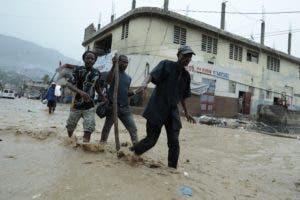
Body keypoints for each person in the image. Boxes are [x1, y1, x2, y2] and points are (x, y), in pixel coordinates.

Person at [130, 46, 196, 169]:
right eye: (185, 55)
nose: (188, 59)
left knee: (174, 142)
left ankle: (172, 169)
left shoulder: (186, 76)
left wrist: (186, 112)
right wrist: (144, 84)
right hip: (157, 108)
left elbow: (183, 96)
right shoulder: (166, 64)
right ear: (178, 55)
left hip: (172, 112)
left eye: (190, 57)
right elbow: (151, 75)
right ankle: (132, 153)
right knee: (151, 141)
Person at [100, 55, 140, 145]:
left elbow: (125, 93)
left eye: (127, 62)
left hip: (125, 108)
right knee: (107, 128)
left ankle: (136, 147)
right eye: (123, 62)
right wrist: (113, 66)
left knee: (133, 128)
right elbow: (108, 81)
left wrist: (135, 92)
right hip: (113, 107)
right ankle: (102, 144)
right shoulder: (112, 73)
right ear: (118, 62)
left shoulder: (128, 78)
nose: (125, 64)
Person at [66, 51, 104, 142]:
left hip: (89, 106)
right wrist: (81, 92)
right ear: (84, 59)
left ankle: (85, 147)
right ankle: (69, 140)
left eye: (92, 58)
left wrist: (103, 97)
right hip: (76, 105)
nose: (90, 60)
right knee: (70, 126)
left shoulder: (97, 73)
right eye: (88, 58)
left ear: (94, 61)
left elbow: (97, 87)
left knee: (89, 127)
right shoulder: (78, 70)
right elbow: (69, 84)